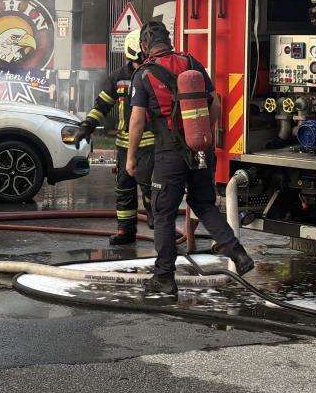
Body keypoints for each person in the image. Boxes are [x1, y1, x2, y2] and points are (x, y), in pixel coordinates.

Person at [126, 20, 254, 296]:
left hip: (169, 153)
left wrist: (131, 157)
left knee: (163, 213)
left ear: (145, 46)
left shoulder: (144, 75)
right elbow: (215, 102)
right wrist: (206, 138)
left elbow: (137, 120)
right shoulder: (192, 62)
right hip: (200, 149)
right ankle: (239, 254)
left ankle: (164, 278)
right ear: (169, 40)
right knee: (204, 203)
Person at [73, 27, 154, 245]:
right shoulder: (118, 77)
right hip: (124, 145)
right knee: (124, 190)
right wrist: (87, 126)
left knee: (151, 188)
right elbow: (102, 104)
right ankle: (126, 231)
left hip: (150, 145)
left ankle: (158, 223)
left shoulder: (154, 74)